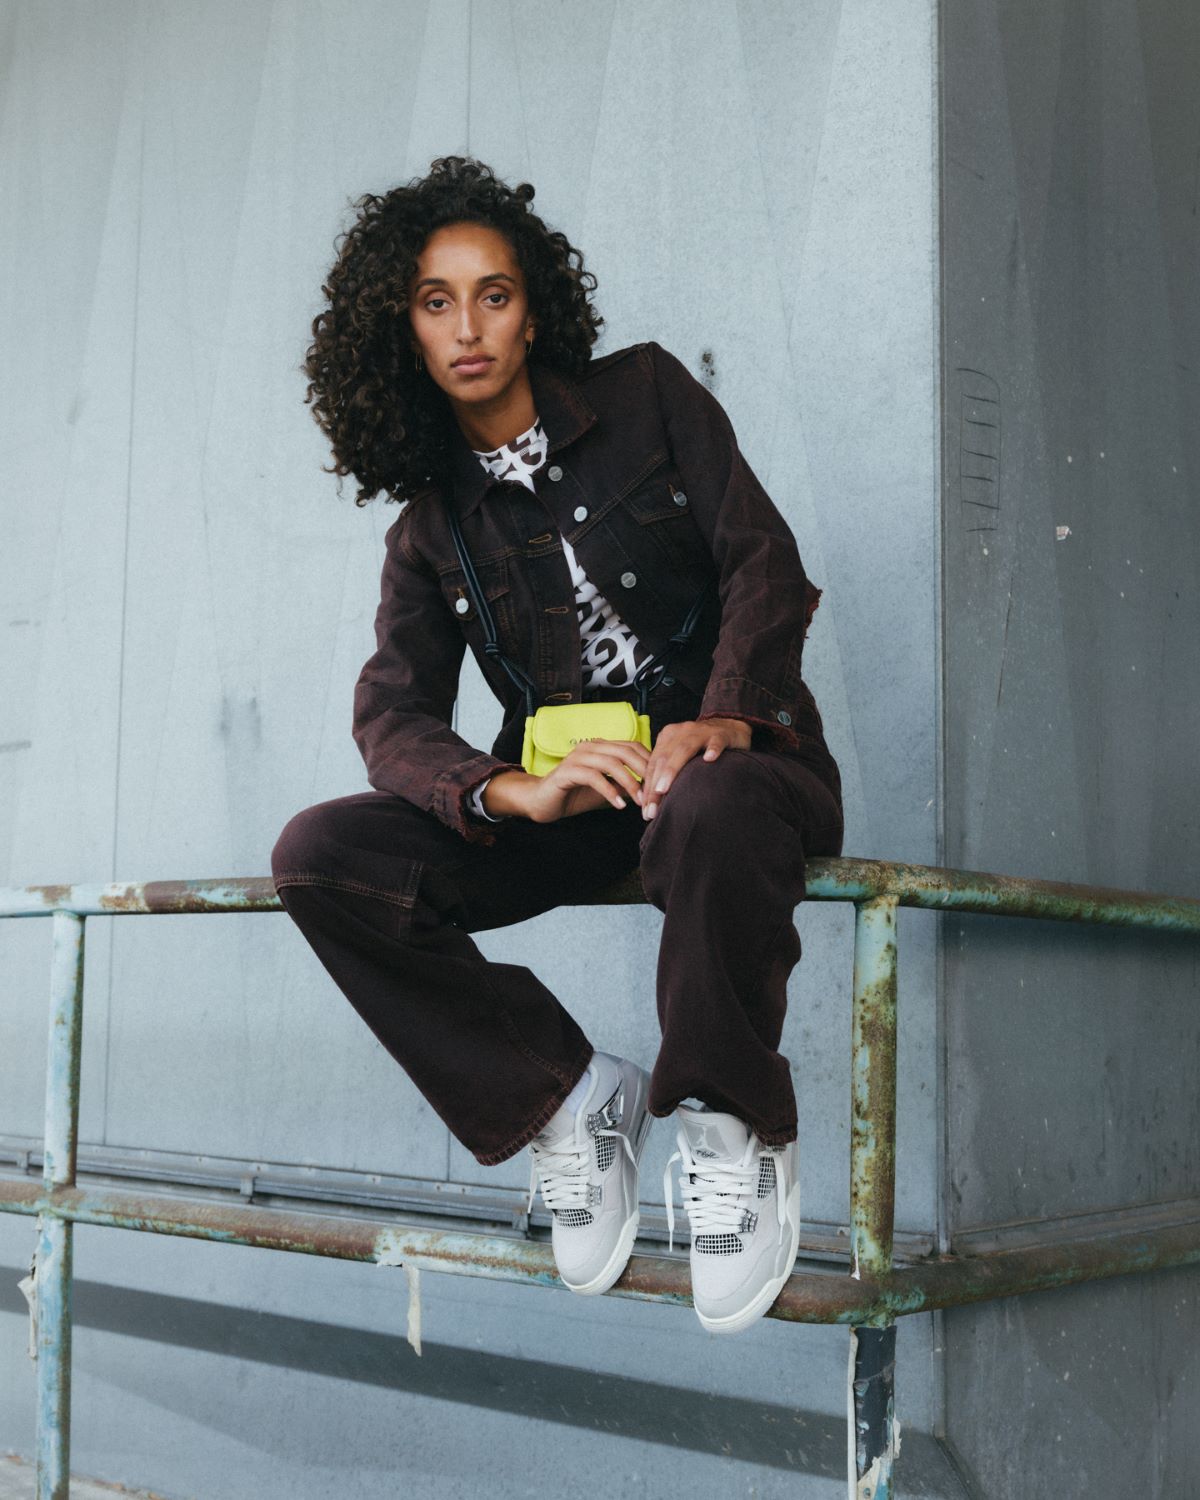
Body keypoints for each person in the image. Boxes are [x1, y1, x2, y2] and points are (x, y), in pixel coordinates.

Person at [271, 155, 844, 1336]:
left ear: (533, 311)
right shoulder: (430, 528)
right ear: (404, 332)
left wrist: (727, 714)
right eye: (437, 302)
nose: (468, 327)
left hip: (738, 778)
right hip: (577, 810)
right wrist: (509, 792)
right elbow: (392, 713)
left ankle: (733, 1129)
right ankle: (566, 1100)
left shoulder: (647, 396)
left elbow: (762, 561)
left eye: (494, 295)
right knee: (320, 856)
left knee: (710, 797)